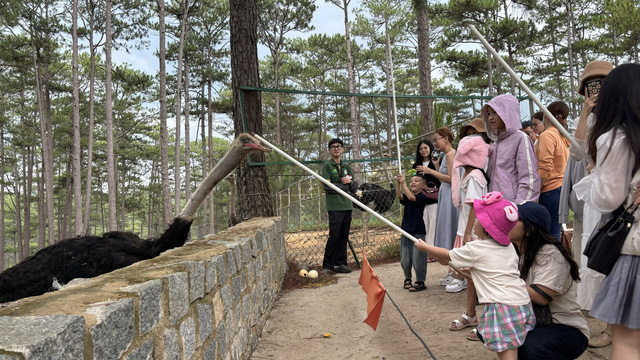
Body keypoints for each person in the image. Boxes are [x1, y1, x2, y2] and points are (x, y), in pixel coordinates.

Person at [416, 192, 535, 360]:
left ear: (487, 226)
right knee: (512, 348)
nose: (474, 221)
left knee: (507, 353)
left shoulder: (476, 248)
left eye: (478, 219)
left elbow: (447, 253)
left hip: (501, 307)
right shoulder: (508, 247)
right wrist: (449, 261)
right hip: (521, 304)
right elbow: (480, 269)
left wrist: (426, 247)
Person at [573, 63, 640, 360]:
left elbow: (608, 198)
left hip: (634, 250)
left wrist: (594, 173)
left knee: (627, 341)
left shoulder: (616, 138)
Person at [570, 60, 614, 348]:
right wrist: (586, 112)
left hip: (624, 195)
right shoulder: (588, 118)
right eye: (590, 84)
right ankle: (612, 327)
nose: (595, 88)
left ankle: (618, 328)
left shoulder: (629, 113)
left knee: (621, 258)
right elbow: (576, 153)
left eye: (601, 82)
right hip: (599, 197)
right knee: (603, 258)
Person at [512, 202, 589, 360]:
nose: (507, 222)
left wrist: (501, 281)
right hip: (533, 322)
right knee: (490, 329)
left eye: (514, 219)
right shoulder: (513, 252)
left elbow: (541, 296)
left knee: (531, 347)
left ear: (528, 229)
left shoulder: (550, 254)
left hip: (564, 326)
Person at [446, 135, 490, 293]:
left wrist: (466, 232)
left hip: (471, 228)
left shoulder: (474, 177)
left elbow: (475, 205)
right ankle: (464, 279)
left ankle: (464, 280)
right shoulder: (470, 175)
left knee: (471, 258)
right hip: (466, 225)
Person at [483, 94, 540, 205]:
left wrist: (520, 208)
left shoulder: (521, 139)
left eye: (495, 112)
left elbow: (529, 178)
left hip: (512, 208)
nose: (490, 117)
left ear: (507, 112)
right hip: (494, 206)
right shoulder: (495, 145)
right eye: (488, 113)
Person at [420, 127, 459, 286]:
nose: (435, 142)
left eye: (436, 139)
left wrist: (430, 170)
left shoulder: (451, 154)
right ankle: (452, 271)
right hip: (445, 193)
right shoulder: (445, 156)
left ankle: (457, 272)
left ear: (446, 139)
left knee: (451, 229)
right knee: (447, 229)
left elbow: (451, 178)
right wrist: (436, 166)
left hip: (450, 195)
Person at [321, 138, 358, 274]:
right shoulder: (327, 166)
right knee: (334, 236)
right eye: (333, 147)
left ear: (342, 149)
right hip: (335, 206)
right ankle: (327, 265)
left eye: (339, 146)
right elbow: (327, 186)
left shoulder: (347, 167)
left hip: (347, 205)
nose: (336, 148)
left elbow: (354, 188)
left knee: (343, 236)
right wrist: (346, 185)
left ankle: (340, 263)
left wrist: (350, 182)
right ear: (329, 150)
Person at [535, 101, 570, 239]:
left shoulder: (547, 135)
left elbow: (544, 168)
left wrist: (536, 192)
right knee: (554, 234)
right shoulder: (562, 136)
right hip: (560, 189)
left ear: (545, 115)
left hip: (549, 189)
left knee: (548, 236)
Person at [396, 173, 429, 292]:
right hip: (406, 231)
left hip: (418, 232)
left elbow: (411, 198)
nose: (413, 183)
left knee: (418, 258)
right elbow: (399, 196)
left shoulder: (422, 197)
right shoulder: (409, 197)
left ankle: (420, 280)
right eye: (411, 181)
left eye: (416, 181)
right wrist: (398, 183)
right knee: (405, 258)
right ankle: (407, 278)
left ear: (424, 186)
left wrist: (403, 183)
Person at [412, 140, 440, 263]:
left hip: (433, 199)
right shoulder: (416, 166)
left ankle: (432, 252)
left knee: (433, 225)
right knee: (424, 225)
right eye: (421, 148)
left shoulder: (435, 162)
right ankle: (424, 251)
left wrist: (430, 170)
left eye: (425, 148)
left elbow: (439, 178)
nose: (423, 150)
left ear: (430, 148)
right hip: (420, 200)